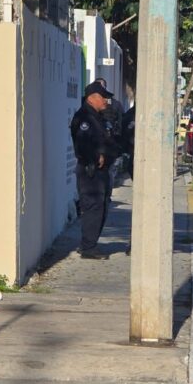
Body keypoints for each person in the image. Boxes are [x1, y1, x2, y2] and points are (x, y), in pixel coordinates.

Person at [70, 81, 120, 259]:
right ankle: (88, 247)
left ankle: (89, 244)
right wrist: (95, 156)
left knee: (102, 206)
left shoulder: (98, 117)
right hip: (90, 171)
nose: (106, 101)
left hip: (102, 172)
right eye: (103, 97)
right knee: (92, 207)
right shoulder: (84, 118)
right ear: (93, 98)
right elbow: (83, 144)